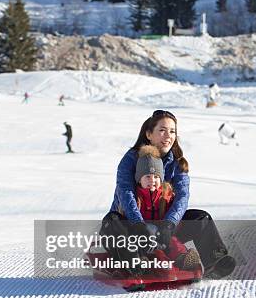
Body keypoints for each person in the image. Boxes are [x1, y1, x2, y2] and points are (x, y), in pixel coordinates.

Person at [101, 109, 236, 279]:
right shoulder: (131, 159)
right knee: (112, 221)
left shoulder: (178, 162)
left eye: (172, 131)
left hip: (163, 226)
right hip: (132, 227)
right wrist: (138, 224)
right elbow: (125, 193)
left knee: (201, 218)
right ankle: (132, 264)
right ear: (149, 134)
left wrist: (169, 224)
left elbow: (182, 197)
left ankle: (215, 262)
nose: (168, 136)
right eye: (162, 130)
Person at [130, 145, 201, 270]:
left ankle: (183, 259)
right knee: (134, 244)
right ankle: (139, 263)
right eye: (147, 176)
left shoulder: (166, 195)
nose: (152, 180)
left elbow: (174, 215)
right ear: (139, 179)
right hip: (142, 237)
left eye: (156, 177)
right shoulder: (135, 197)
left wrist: (168, 228)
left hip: (161, 235)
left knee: (173, 242)